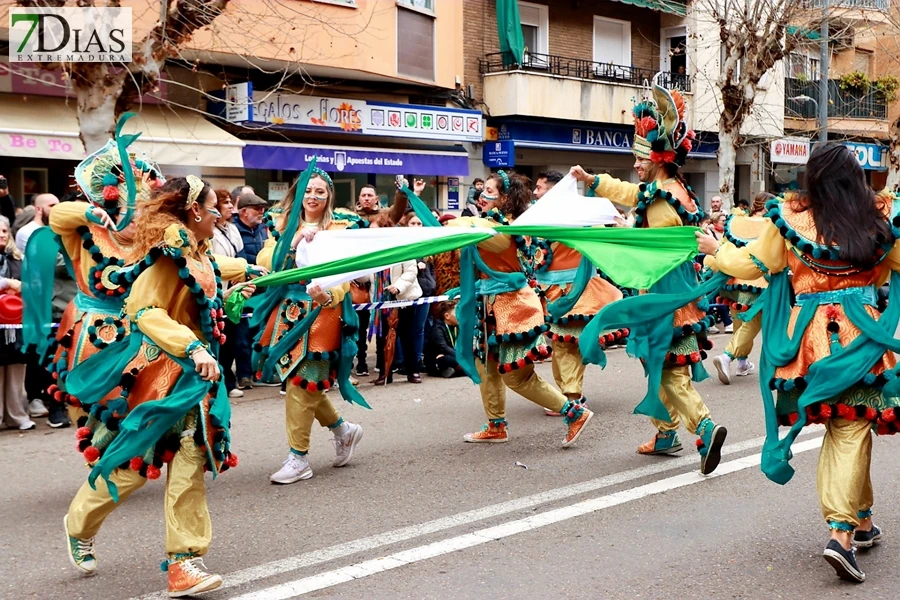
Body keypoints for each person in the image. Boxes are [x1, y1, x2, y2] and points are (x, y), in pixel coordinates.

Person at [698, 143, 900, 583]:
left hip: (808, 341)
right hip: (860, 338)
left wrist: (716, 250)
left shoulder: (789, 218)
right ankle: (840, 533)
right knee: (851, 426)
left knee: (850, 423)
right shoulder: (879, 218)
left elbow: (756, 264)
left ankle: (862, 521)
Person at [62, 175, 254, 596]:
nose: (221, 213)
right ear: (196, 211)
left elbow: (209, 270)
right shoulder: (168, 253)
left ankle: (183, 562)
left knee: (190, 458)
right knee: (130, 468)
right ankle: (78, 525)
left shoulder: (197, 250)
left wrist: (250, 271)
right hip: (159, 376)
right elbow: (145, 309)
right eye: (213, 205)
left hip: (195, 380)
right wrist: (193, 348)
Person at [571, 77, 727, 474]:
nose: (635, 165)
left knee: (670, 372)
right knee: (654, 363)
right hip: (670, 295)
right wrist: (594, 181)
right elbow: (630, 193)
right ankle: (664, 432)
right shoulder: (671, 188)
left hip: (664, 298)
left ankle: (704, 428)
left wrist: (623, 234)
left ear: (656, 158)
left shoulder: (660, 200)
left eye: (640, 159)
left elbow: (655, 250)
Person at [448, 170, 593, 446]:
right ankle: (496, 425)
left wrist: (457, 223)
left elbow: (479, 234)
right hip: (489, 305)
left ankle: (573, 412)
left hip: (512, 308)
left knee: (517, 376)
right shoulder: (490, 224)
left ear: (504, 198)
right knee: (486, 366)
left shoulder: (509, 229)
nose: (482, 195)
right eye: (483, 190)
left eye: (490, 191)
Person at [254, 166, 366, 485]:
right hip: (288, 311)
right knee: (300, 381)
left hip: (323, 312)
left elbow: (347, 273)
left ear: (329, 195)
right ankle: (344, 431)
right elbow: (265, 261)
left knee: (304, 380)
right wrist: (293, 240)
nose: (313, 196)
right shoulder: (283, 225)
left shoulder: (340, 228)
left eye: (320, 191)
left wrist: (328, 294)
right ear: (298, 193)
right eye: (308, 190)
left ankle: (298, 457)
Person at [709, 192, 774, 384]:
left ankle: (743, 363)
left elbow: (723, 247)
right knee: (751, 324)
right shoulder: (770, 226)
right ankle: (727, 357)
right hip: (758, 281)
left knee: (739, 319)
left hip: (734, 280)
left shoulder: (735, 222)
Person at [371, 210, 423, 385]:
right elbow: (366, 275)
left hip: (403, 298)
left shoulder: (402, 247)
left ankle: (413, 371)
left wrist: (398, 286)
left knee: (406, 336)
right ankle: (385, 373)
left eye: (376, 230)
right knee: (382, 337)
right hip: (380, 301)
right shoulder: (370, 251)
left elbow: (411, 271)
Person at [211, 189, 246, 399]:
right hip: (218, 290)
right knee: (220, 340)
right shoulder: (210, 232)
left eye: (231, 203)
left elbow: (240, 255)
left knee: (233, 337)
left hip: (235, 290)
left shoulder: (233, 229)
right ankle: (221, 382)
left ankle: (230, 381)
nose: (231, 208)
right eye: (226, 204)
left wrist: (240, 275)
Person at [233, 192, 268, 390]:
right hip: (245, 289)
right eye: (257, 209)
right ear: (244, 211)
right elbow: (240, 260)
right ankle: (244, 375)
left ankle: (257, 372)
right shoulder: (235, 231)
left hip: (263, 290)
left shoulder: (263, 230)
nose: (261, 212)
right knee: (242, 336)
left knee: (259, 332)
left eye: (262, 208)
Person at [0, 216, 32, 431]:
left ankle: (17, 415)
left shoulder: (17, 258)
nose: (2, 234)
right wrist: (9, 283)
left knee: (16, 369)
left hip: (15, 323)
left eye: (4, 230)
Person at [401, 208, 436, 374]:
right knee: (405, 329)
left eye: (419, 223)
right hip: (406, 293)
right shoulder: (403, 245)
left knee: (419, 329)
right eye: (413, 223)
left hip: (425, 293)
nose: (416, 226)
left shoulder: (427, 245)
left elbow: (432, 270)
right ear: (406, 224)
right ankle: (403, 362)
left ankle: (417, 360)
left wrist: (432, 284)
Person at [425, 301, 463, 378]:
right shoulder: (437, 329)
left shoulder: (457, 326)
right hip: (438, 359)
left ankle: (456, 370)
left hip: (453, 354)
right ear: (447, 316)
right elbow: (444, 348)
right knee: (447, 360)